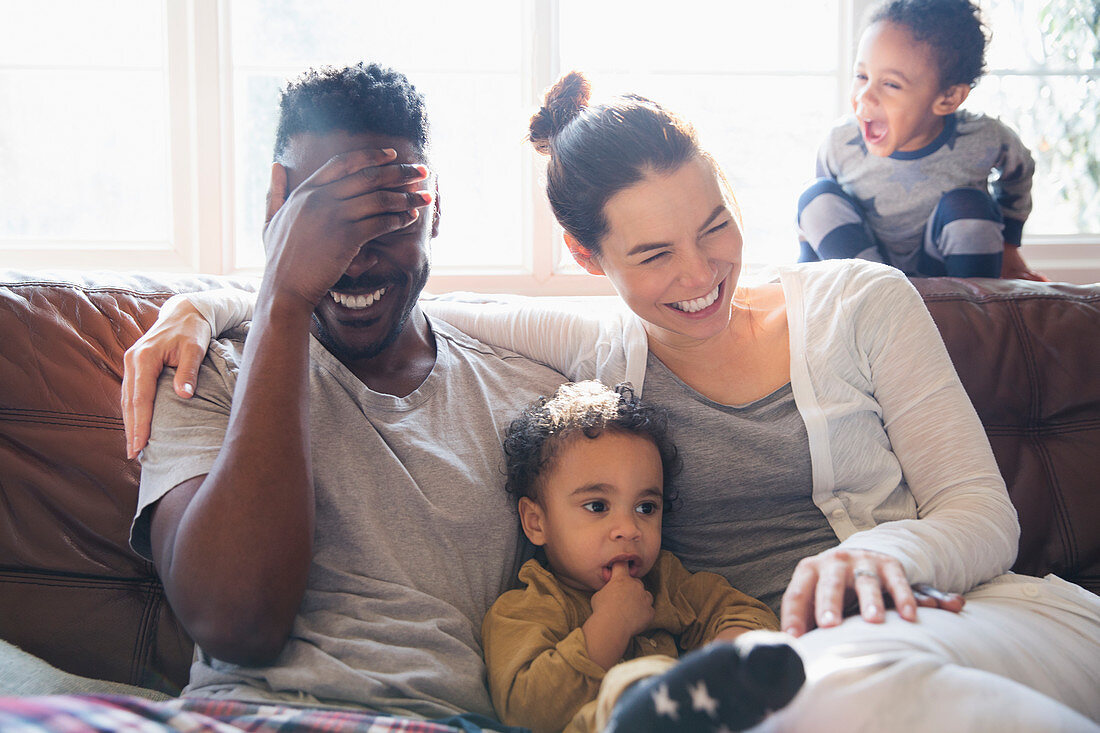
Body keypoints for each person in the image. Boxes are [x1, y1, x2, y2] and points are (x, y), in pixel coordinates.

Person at [124, 71, 1100, 731]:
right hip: (762, 668)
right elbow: (406, 296)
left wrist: (867, 556)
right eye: (650, 254)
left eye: (712, 225)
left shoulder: (858, 301)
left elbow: (981, 515)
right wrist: (221, 301)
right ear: (589, 262)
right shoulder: (591, 353)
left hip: (945, 610)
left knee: (851, 678)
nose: (698, 275)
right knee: (765, 689)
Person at [124, 62, 567, 728]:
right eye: (326, 220)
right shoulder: (203, 370)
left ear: (434, 206)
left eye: (385, 216)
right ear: (277, 210)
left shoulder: (531, 396)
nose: (355, 258)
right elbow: (235, 623)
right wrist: (282, 297)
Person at [484, 380, 803, 733]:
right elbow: (527, 712)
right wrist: (610, 626)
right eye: (597, 506)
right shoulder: (524, 609)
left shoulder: (665, 581)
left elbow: (740, 610)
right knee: (627, 689)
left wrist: (726, 662)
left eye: (645, 507)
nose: (629, 528)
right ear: (536, 522)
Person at [796, 0, 1046, 281]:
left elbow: (1019, 172)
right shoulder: (839, 143)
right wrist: (806, 274)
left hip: (944, 280)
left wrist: (1009, 246)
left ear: (948, 98)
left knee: (969, 205)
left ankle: (975, 308)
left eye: (890, 84)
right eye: (861, 75)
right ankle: (877, 303)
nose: (865, 95)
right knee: (814, 198)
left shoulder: (985, 137)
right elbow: (819, 226)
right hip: (867, 277)